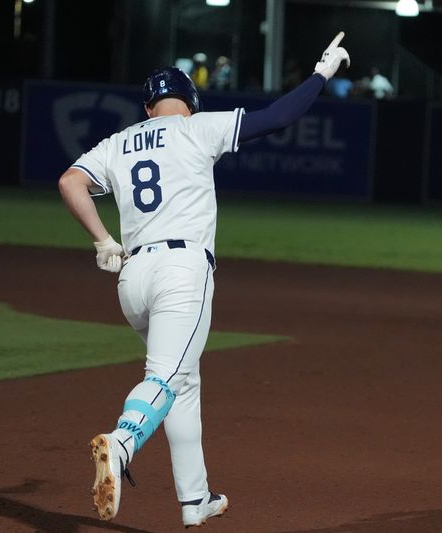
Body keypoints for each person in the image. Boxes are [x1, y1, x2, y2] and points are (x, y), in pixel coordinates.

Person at [57, 31, 350, 528]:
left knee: (183, 382)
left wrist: (104, 241)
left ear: (148, 107)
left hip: (132, 278)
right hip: (181, 273)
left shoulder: (119, 142)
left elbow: (69, 181)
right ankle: (122, 443)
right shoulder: (197, 128)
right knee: (166, 379)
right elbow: (279, 117)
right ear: (190, 103)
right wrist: (322, 72)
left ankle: (196, 501)